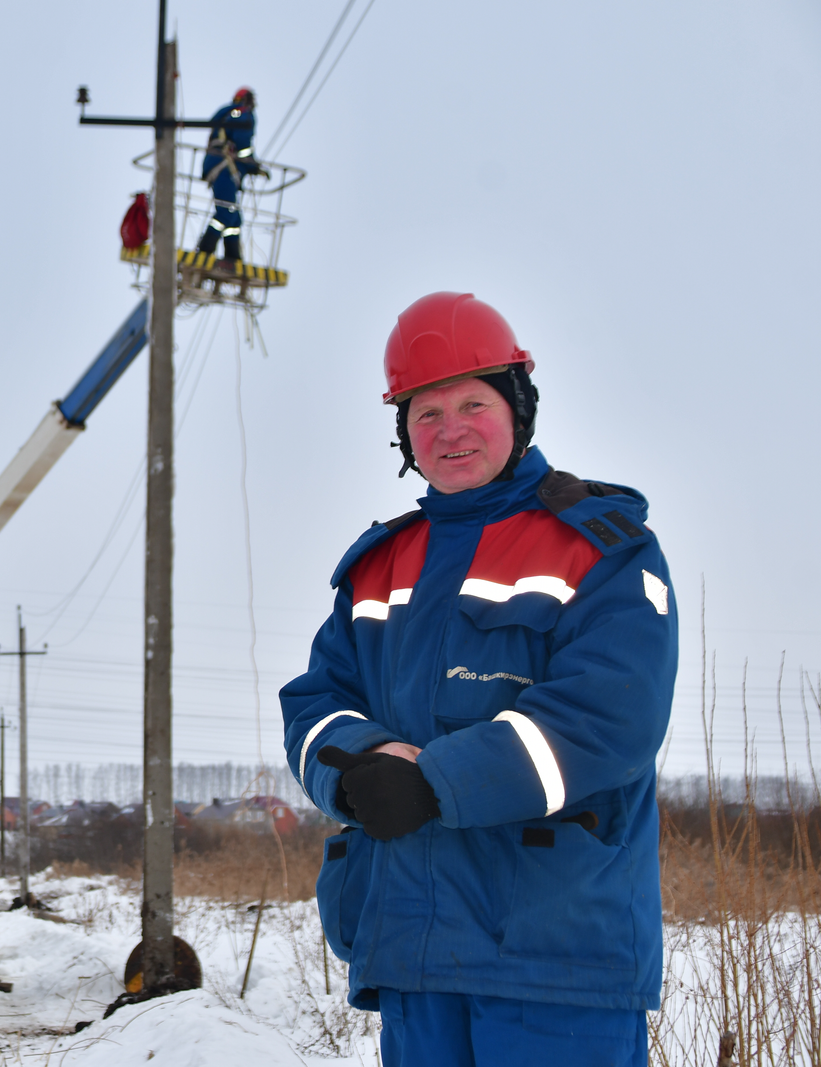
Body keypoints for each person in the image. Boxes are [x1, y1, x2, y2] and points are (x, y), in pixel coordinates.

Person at [281, 291, 676, 1066]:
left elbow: (611, 716)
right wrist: (363, 765)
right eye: (425, 412)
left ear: (518, 408)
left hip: (556, 962)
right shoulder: (378, 567)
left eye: (473, 404)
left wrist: (435, 782)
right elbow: (314, 702)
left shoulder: (604, 548)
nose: (450, 429)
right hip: (415, 953)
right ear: (403, 432)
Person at [194, 87, 269, 264]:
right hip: (224, 167)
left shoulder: (228, 113)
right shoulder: (243, 115)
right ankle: (205, 249)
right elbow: (243, 145)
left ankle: (232, 255)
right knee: (226, 211)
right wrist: (253, 166)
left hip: (218, 164)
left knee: (234, 217)